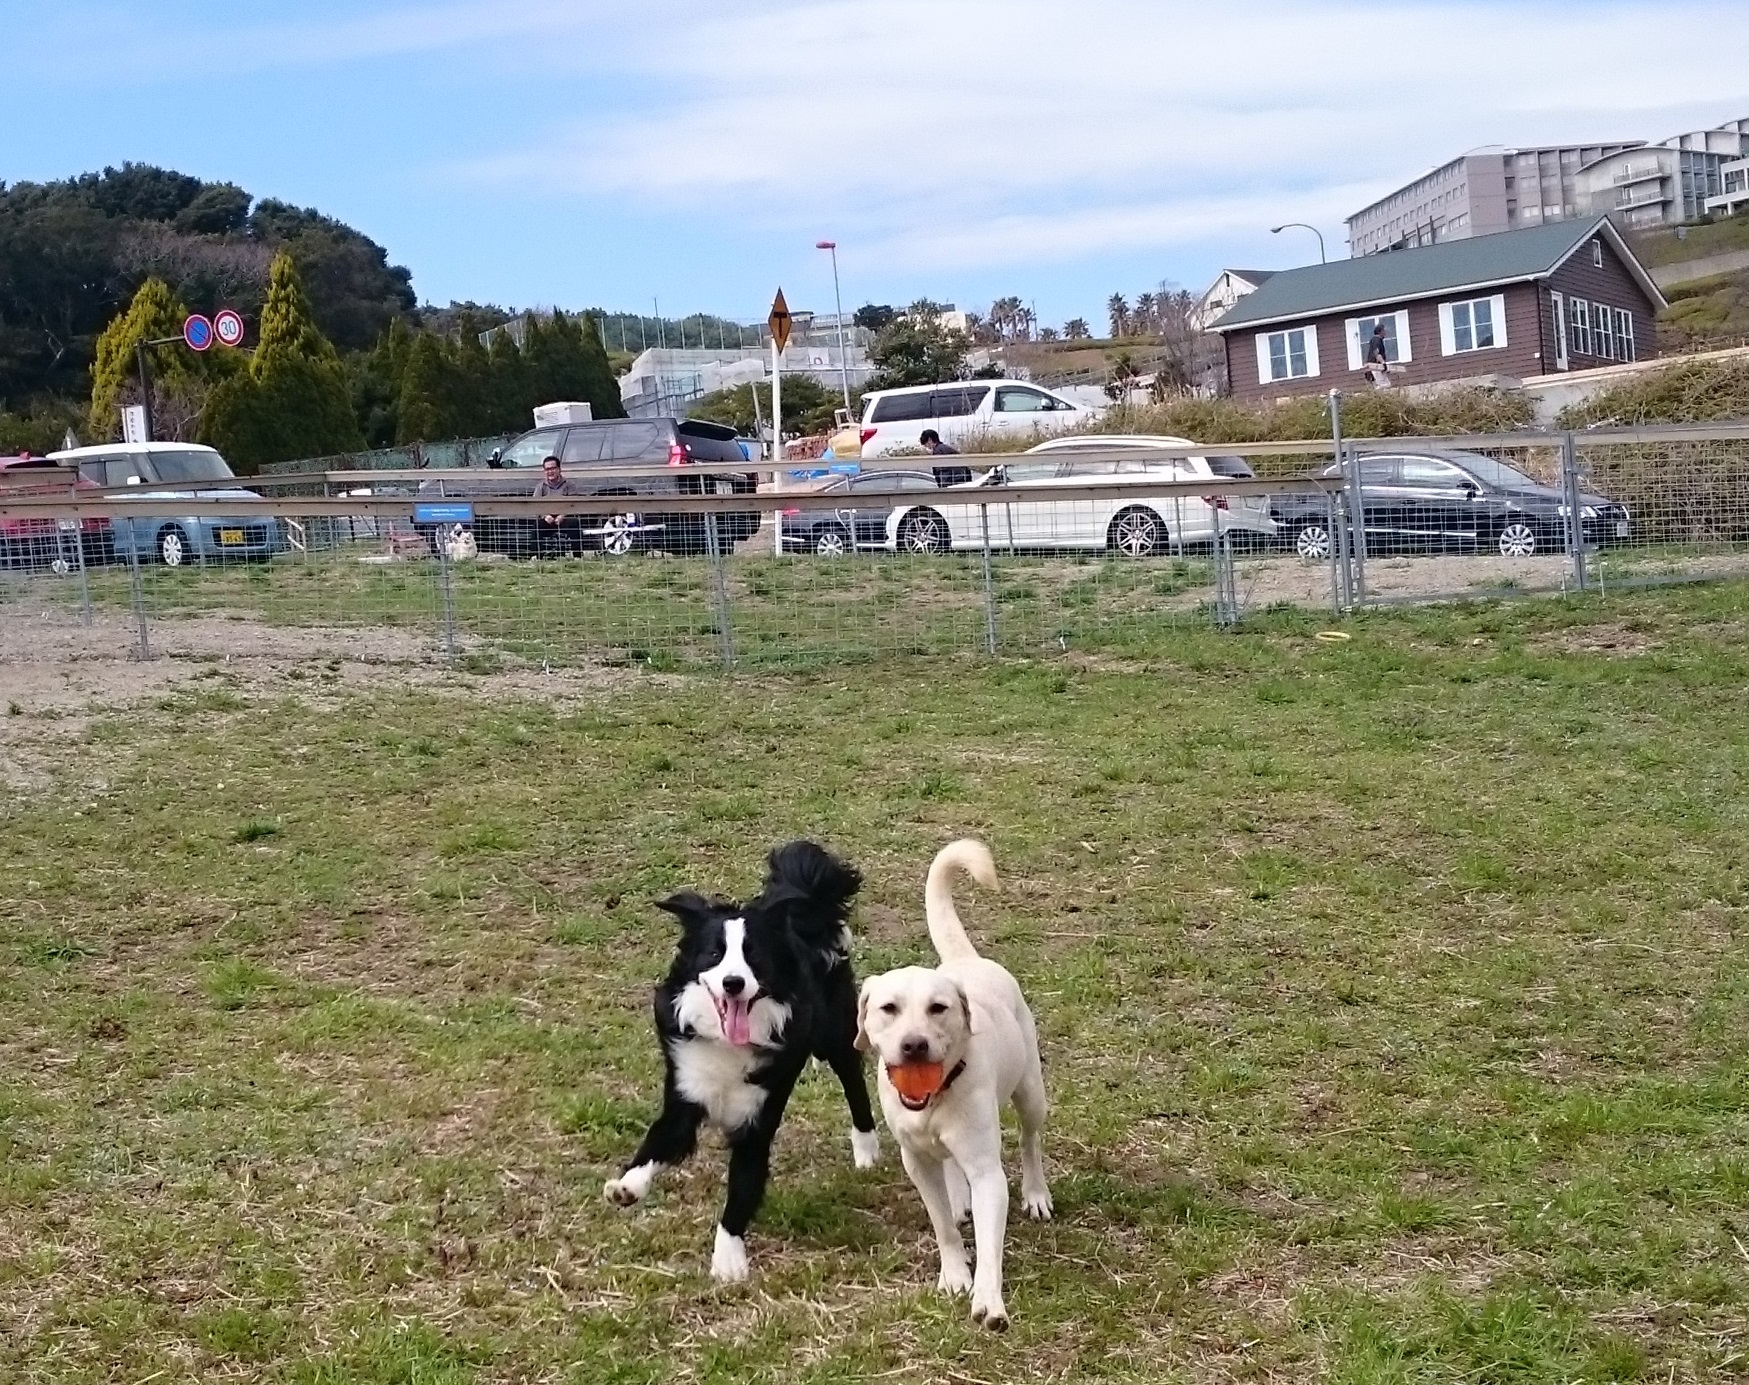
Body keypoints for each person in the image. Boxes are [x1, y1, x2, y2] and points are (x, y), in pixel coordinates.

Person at [534, 455, 585, 557]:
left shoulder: (569, 485)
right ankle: (537, 557)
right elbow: (536, 505)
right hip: (548, 518)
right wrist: (545, 516)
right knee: (536, 526)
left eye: (553, 468)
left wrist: (562, 515)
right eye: (547, 469)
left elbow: (573, 504)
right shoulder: (540, 486)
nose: (550, 472)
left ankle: (577, 556)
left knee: (575, 524)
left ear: (559, 469)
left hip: (565, 518)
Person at [1365, 323, 1393, 388]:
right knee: (1384, 385)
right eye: (1384, 330)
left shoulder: (1376, 340)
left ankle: (1377, 394)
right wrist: (1383, 363)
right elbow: (1376, 353)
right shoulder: (1376, 340)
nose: (1385, 332)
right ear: (1380, 331)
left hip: (1376, 367)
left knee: (1385, 385)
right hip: (1375, 367)